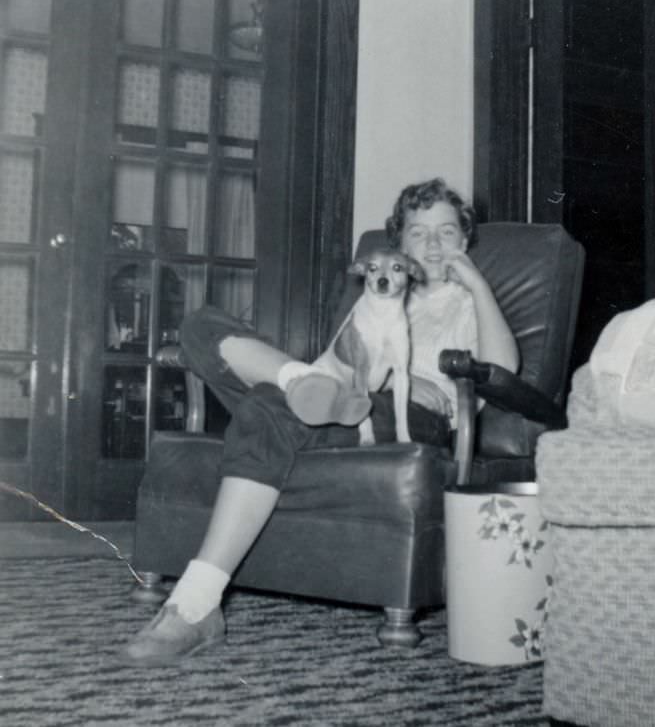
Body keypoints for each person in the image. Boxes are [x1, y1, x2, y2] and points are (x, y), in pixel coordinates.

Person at [121, 177, 519, 666]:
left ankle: (196, 602)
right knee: (200, 325)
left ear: (465, 239)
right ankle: (292, 381)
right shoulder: (380, 288)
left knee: (267, 411)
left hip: (407, 411)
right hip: (337, 395)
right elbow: (337, 362)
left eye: (447, 232)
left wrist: (476, 282)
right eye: (418, 233)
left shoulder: (471, 301)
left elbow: (505, 369)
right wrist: (311, 382)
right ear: (400, 248)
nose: (433, 244)